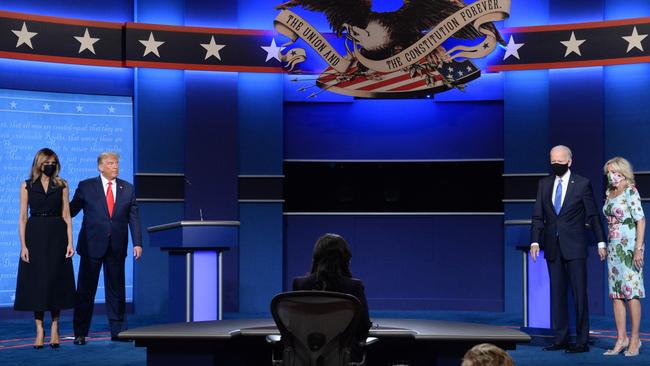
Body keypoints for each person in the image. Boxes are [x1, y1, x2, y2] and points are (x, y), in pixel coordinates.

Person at [530, 145, 606, 353]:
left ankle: (581, 341)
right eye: (553, 161)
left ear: (569, 162)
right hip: (552, 247)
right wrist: (535, 241)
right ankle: (560, 338)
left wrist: (601, 242)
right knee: (557, 294)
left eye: (560, 162)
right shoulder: (544, 184)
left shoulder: (582, 184)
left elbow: (593, 215)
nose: (556, 165)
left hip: (575, 247)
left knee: (580, 294)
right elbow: (538, 215)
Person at [70, 152, 142, 345]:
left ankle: (118, 331)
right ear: (100, 167)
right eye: (111, 163)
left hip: (116, 246)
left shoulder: (127, 188)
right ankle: (80, 333)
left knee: (116, 291)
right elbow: (70, 211)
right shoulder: (86, 186)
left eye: (117, 163)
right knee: (85, 291)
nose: (115, 167)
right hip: (91, 245)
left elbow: (133, 217)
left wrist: (137, 243)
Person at [14, 148, 76, 349]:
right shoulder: (27, 185)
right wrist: (23, 245)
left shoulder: (62, 184)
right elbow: (23, 217)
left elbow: (67, 216)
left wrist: (70, 243)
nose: (51, 165)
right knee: (37, 284)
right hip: (35, 235)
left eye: (54, 161)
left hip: (57, 235)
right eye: (47, 161)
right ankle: (39, 329)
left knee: (55, 281)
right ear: (39, 163)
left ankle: (55, 328)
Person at [293, 233, 372, 352]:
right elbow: (363, 327)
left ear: (316, 258)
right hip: (344, 356)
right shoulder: (354, 286)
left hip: (304, 354)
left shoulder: (300, 284)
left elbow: (294, 324)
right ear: (346, 259)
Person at [601, 157, 645, 357]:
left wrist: (638, 249)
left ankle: (635, 339)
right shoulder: (610, 192)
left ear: (623, 172)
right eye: (608, 172)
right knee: (616, 295)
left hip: (629, 248)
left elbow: (641, 220)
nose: (611, 175)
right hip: (613, 249)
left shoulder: (630, 190)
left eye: (614, 171)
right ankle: (621, 339)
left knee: (631, 293)